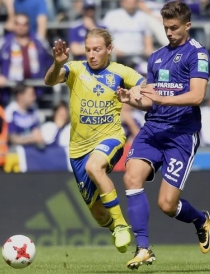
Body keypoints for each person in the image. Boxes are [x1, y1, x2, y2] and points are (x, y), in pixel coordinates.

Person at [117, 1, 210, 270]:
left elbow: (197, 96)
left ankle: (199, 219)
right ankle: (144, 248)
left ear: (187, 25)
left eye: (174, 27)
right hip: (153, 130)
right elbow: (150, 101)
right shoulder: (156, 56)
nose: (169, 32)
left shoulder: (198, 54)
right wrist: (131, 100)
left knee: (167, 205)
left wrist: (163, 97)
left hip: (181, 135)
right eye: (166, 27)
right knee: (131, 176)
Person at [44, 28, 146, 254]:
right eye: (88, 49)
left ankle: (121, 224)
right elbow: (49, 80)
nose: (91, 54)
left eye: (97, 49)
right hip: (78, 148)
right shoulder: (75, 69)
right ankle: (112, 226)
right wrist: (58, 63)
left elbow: (142, 83)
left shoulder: (120, 72)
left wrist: (136, 91)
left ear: (109, 49)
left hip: (111, 137)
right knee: (98, 214)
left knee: (94, 166)